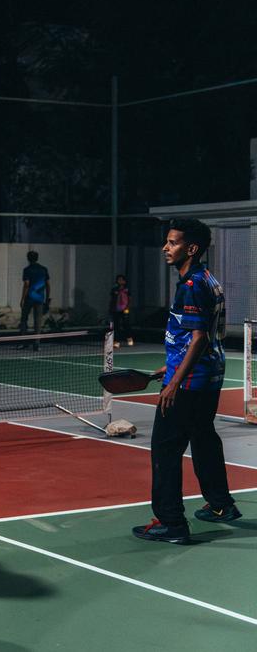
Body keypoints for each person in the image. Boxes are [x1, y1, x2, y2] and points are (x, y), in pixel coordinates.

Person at [132, 218, 240, 544]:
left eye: (173, 242)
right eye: (167, 242)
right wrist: (170, 367)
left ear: (190, 248)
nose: (166, 248)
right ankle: (221, 505)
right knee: (203, 437)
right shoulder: (209, 279)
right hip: (209, 376)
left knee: (165, 449)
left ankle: (171, 523)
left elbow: (198, 338)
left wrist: (174, 381)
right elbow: (203, 336)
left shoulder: (191, 285)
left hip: (191, 383)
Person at [18, 250, 50, 350]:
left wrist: (22, 299)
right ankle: (36, 344)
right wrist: (47, 298)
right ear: (37, 258)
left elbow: (27, 284)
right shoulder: (44, 269)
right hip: (40, 298)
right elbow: (48, 284)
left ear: (28, 258)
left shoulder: (27, 270)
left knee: (24, 320)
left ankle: (24, 342)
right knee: (38, 321)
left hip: (29, 297)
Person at [108, 274, 134, 348]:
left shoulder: (127, 289)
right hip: (116, 310)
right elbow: (112, 300)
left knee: (126, 324)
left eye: (121, 280)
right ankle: (116, 342)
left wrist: (127, 307)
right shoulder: (114, 289)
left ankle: (129, 339)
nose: (120, 281)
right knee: (116, 326)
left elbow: (130, 299)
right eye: (119, 280)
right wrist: (111, 309)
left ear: (124, 281)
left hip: (125, 309)